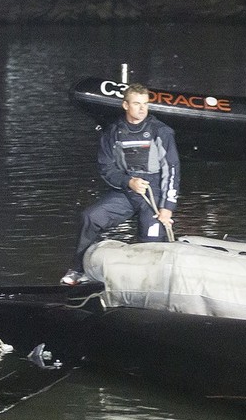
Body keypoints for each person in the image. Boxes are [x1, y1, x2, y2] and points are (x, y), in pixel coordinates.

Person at [61, 83, 180, 285]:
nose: (142, 109)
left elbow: (172, 169)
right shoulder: (112, 132)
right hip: (126, 190)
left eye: (145, 104)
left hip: (153, 193)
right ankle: (77, 270)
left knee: (151, 242)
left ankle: (150, 284)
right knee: (90, 217)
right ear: (125, 105)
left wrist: (167, 208)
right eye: (136, 104)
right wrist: (128, 182)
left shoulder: (161, 131)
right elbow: (106, 168)